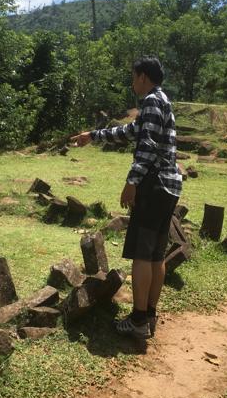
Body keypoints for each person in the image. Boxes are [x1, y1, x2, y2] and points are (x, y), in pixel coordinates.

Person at [71, 56, 182, 340]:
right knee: (157, 255)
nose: (132, 82)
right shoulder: (159, 102)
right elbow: (130, 132)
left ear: (143, 76)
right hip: (168, 187)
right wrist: (92, 136)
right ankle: (149, 314)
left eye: (133, 77)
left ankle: (138, 319)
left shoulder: (152, 101)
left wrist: (132, 182)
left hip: (153, 186)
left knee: (142, 256)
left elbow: (147, 144)